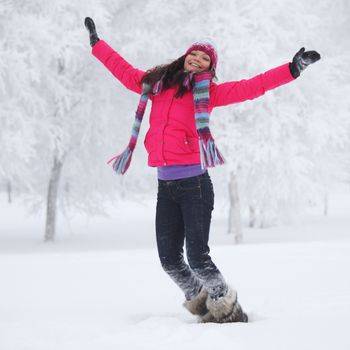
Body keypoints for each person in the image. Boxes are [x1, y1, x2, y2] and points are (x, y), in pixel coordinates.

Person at [84, 17, 320, 323]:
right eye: (194, 54)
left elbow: (252, 86)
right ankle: (203, 304)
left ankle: (228, 309)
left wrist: (292, 69)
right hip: (165, 187)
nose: (196, 59)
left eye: (204, 58)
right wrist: (97, 45)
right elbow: (124, 70)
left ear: (210, 67)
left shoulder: (209, 93)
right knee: (169, 261)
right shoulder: (156, 85)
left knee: (197, 257)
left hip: (194, 185)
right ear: (185, 57)